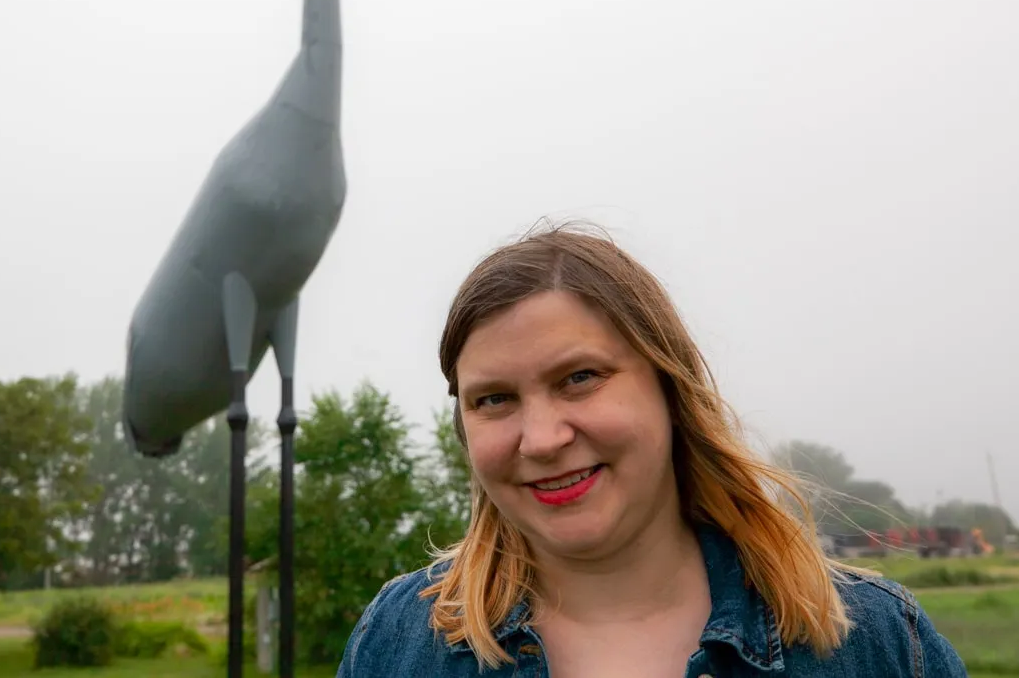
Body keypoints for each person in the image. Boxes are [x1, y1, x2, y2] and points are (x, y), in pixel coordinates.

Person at [337, 224, 967, 678]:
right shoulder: (400, 640)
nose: (543, 438)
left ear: (670, 388)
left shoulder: (874, 643)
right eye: (494, 399)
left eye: (579, 378)